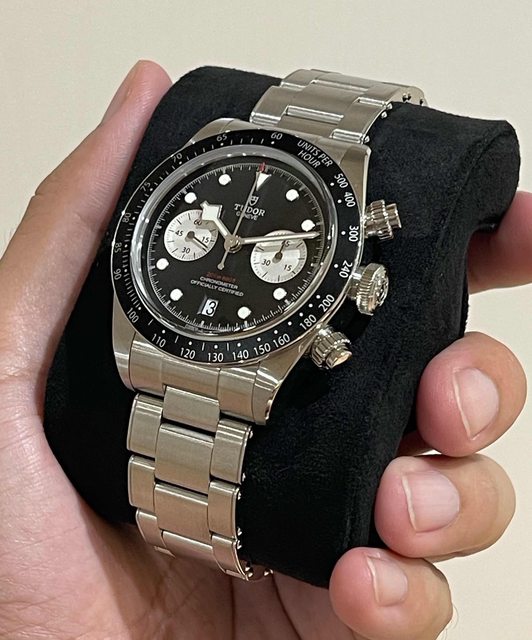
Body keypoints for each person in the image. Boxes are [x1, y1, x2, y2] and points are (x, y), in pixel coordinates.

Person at [0, 60, 529, 640]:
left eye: (268, 248)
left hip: (250, 377)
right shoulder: (214, 148)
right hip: (153, 348)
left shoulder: (351, 227)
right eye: (218, 235)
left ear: (356, 282)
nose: (230, 246)